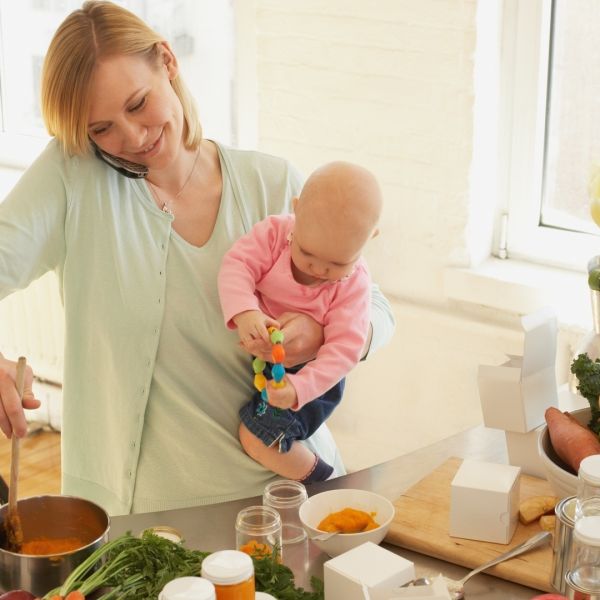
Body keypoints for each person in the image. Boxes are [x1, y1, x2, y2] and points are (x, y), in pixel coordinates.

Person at [0, 0, 395, 516]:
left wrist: (326, 336)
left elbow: (378, 311)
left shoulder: (271, 184)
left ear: (167, 61)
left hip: (288, 498)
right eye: (102, 129)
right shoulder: (72, 178)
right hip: (145, 523)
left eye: (139, 104)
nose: (133, 137)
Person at [218, 161, 382, 483]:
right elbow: (237, 266)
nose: (319, 270)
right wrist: (245, 311)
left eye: (337, 263)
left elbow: (344, 351)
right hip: (274, 366)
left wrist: (298, 387)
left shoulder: (354, 284)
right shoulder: (274, 235)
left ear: (369, 239)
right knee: (260, 434)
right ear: (296, 212)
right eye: (307, 253)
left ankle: (323, 481)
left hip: (315, 377)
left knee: (257, 437)